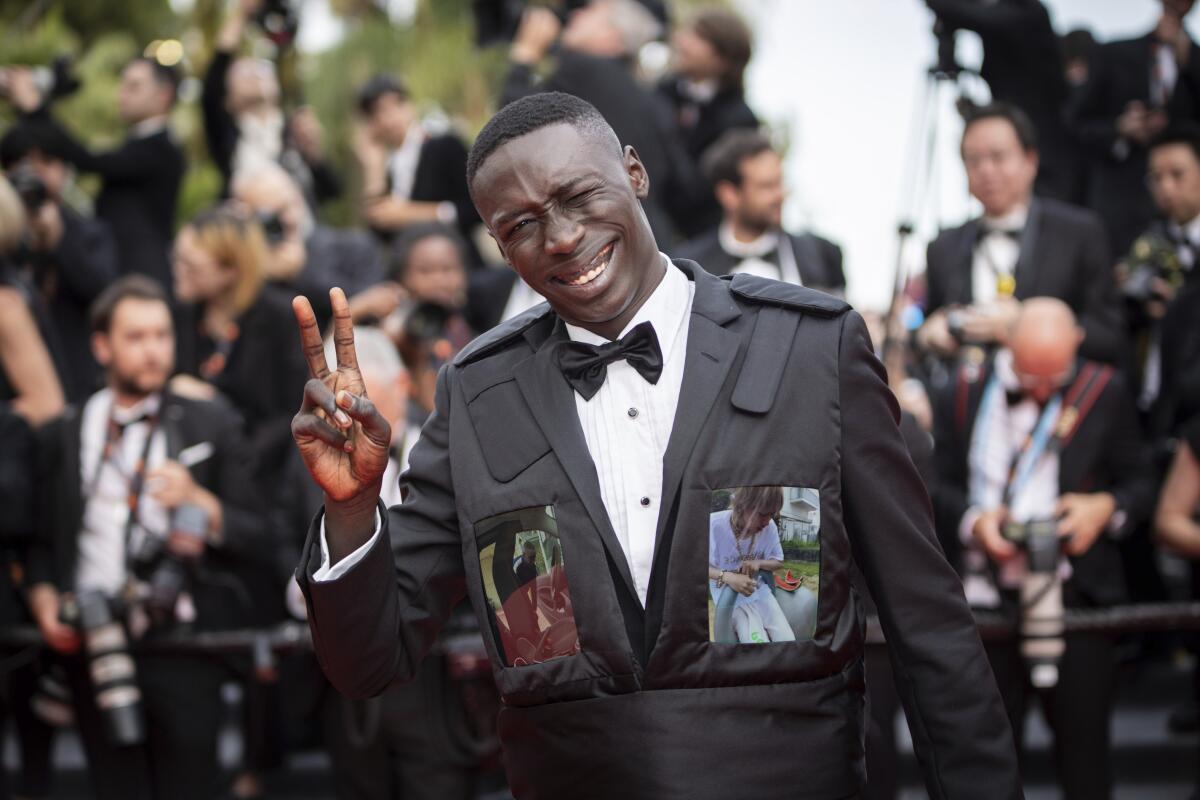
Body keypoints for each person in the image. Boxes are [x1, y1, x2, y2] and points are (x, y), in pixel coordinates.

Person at [290, 91, 1019, 797]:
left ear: (634, 173)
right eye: (521, 226)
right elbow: (368, 662)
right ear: (498, 245)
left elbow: (929, 627)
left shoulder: (810, 350)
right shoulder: (477, 396)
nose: (563, 237)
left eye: (578, 196)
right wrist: (351, 507)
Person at [25, 275, 269, 800]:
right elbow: (40, 537)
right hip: (95, 642)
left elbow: (261, 533)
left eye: (161, 335)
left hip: (185, 644)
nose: (153, 350)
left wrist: (202, 505)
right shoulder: (64, 433)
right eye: (135, 337)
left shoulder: (210, 422)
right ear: (101, 346)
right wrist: (45, 599)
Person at [931, 298, 1156, 800]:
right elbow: (932, 486)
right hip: (982, 602)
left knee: (1085, 757)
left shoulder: (1104, 389)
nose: (1040, 390)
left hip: (1077, 599)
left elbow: (1142, 483)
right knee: (981, 760)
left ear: (1078, 343)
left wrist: (1104, 508)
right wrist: (975, 522)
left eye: (1054, 378)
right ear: (1006, 343)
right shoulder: (961, 390)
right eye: (1030, 376)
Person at [917, 102, 1123, 364]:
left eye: (998, 156)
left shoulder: (1079, 233)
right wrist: (926, 336)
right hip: (964, 396)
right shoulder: (943, 248)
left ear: (1030, 161)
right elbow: (925, 333)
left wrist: (1024, 323)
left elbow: (1108, 335)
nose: (986, 170)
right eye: (973, 160)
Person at [501, 0, 706, 245]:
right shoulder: (652, 100)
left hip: (596, 242)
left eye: (589, 10)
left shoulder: (584, 70)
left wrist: (525, 55)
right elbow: (684, 186)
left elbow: (513, 129)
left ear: (613, 36)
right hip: (651, 241)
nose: (575, 13)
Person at [0, 58, 184, 288]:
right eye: (122, 84)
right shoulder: (139, 143)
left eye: (134, 86)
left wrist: (36, 108)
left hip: (140, 277)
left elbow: (86, 159)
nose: (122, 94)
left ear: (163, 95)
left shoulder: (160, 149)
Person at [171, 205, 308, 483]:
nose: (178, 271)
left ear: (230, 272)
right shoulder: (183, 314)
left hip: (259, 473)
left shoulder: (278, 318)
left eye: (191, 266)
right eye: (176, 259)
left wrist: (239, 454)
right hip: (189, 463)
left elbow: (294, 410)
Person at [1066, 0, 1200, 257]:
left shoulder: (1195, 61)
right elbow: (1075, 123)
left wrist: (1189, 61)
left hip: (1186, 218)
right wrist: (1119, 128)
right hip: (1119, 207)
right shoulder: (1114, 54)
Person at [1, 121, 120, 401]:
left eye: (47, 161)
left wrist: (59, 241)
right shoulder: (6, 240)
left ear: (65, 169)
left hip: (78, 379)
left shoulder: (90, 232)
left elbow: (104, 295)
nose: (35, 173)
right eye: (21, 163)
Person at [923, 0, 1081, 203]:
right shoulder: (1003, 18)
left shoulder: (1029, 14)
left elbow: (972, 15)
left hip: (1047, 155)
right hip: (1019, 140)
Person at [204, 0, 341, 206]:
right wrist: (241, 15)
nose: (253, 74)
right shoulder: (227, 134)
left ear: (276, 88)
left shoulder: (294, 131)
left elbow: (332, 191)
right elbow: (213, 82)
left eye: (260, 70)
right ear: (228, 100)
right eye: (242, 73)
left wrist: (314, 154)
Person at [677, 129, 846, 295]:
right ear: (729, 195)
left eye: (780, 182)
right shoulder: (690, 269)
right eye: (767, 187)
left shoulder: (823, 253)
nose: (780, 195)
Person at [230, 163, 384, 328]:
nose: (288, 219)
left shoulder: (353, 247)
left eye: (290, 205)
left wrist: (300, 274)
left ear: (300, 195)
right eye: (272, 217)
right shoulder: (243, 268)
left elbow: (376, 307)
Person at [656, 7, 758, 237]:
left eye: (698, 38)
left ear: (722, 59)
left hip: (693, 237)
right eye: (686, 33)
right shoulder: (661, 92)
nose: (682, 42)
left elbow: (702, 189)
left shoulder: (739, 121)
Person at [353, 74, 479, 251]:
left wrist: (412, 214)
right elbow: (379, 234)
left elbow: (475, 209)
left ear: (410, 105)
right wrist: (373, 169)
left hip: (456, 258)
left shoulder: (445, 146)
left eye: (397, 104)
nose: (390, 117)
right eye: (378, 112)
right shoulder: (386, 166)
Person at [1131, 126, 1200, 438]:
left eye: (1177, 174)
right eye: (1156, 178)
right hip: (1154, 402)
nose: (1166, 188)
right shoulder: (1148, 245)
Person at [707, 486, 793, 644]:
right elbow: (695, 566)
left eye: (772, 514)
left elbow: (779, 561)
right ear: (742, 505)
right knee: (755, 642)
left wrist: (758, 562)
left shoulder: (769, 527)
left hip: (761, 593)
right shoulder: (713, 525)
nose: (767, 522)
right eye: (762, 514)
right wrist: (728, 577)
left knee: (786, 639)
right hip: (731, 601)